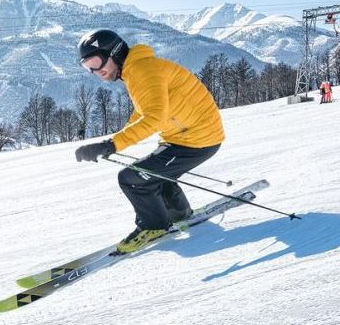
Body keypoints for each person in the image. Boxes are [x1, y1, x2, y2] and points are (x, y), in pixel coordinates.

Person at [74, 29, 226, 254]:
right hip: (188, 136)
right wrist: (114, 142)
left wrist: (112, 144)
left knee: (131, 178)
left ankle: (154, 226)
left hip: (197, 139)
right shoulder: (137, 70)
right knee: (153, 173)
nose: (96, 71)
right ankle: (179, 214)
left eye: (96, 62)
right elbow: (143, 112)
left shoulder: (142, 71)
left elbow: (154, 118)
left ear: (114, 53)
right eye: (88, 67)